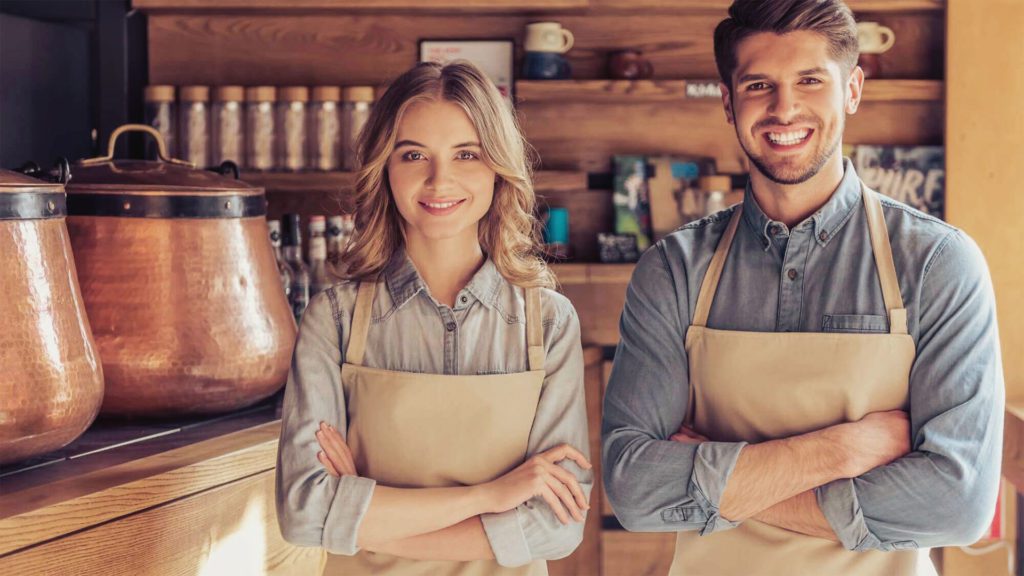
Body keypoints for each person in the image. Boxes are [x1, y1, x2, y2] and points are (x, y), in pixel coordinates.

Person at [601, 1, 1004, 575]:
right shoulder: (673, 270)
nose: (783, 107)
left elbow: (957, 504)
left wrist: (720, 484)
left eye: (810, 81)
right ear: (728, 100)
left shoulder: (938, 263)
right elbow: (635, 491)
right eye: (759, 84)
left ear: (853, 90)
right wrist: (838, 451)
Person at [274, 61, 592, 575]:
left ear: (497, 166)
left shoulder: (549, 323)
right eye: (414, 154)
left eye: (466, 154)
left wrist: (365, 519)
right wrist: (491, 496)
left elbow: (557, 526)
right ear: (386, 168)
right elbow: (304, 514)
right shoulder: (333, 318)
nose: (439, 179)